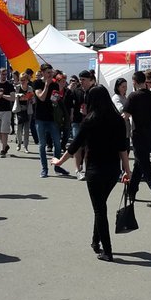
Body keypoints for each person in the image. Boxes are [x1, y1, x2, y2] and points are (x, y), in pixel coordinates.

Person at [52, 85, 133, 262]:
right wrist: (127, 171)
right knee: (101, 205)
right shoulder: (118, 121)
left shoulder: (90, 120)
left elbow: (75, 146)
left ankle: (108, 250)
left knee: (99, 210)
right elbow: (123, 149)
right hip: (113, 171)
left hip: (95, 170)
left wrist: (59, 161)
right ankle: (96, 241)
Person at [123, 71, 151, 206]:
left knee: (144, 164)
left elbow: (125, 116)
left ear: (135, 82)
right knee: (139, 163)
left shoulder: (133, 96)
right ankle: (132, 190)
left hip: (138, 135)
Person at [33, 63, 70, 178]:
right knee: (42, 144)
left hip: (52, 118)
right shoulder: (37, 83)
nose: (50, 75)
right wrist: (47, 86)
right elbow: (42, 98)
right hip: (40, 118)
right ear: (43, 72)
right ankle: (44, 169)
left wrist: (57, 98)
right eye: (48, 72)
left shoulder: (54, 84)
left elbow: (55, 99)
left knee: (58, 144)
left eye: (51, 72)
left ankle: (57, 166)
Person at [70, 70, 96, 179]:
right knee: (78, 146)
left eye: (83, 80)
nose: (81, 82)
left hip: (90, 123)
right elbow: (71, 104)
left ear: (90, 80)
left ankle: (86, 168)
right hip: (77, 121)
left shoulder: (94, 91)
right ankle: (77, 169)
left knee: (88, 147)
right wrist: (71, 115)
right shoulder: (77, 91)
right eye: (80, 80)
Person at [14, 72, 35, 153]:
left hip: (28, 111)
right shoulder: (17, 88)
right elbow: (14, 96)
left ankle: (25, 146)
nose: (22, 81)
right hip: (19, 110)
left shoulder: (30, 88)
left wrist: (31, 100)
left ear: (27, 80)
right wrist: (19, 96)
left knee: (26, 130)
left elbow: (33, 99)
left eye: (24, 80)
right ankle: (19, 143)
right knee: (18, 129)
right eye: (21, 80)